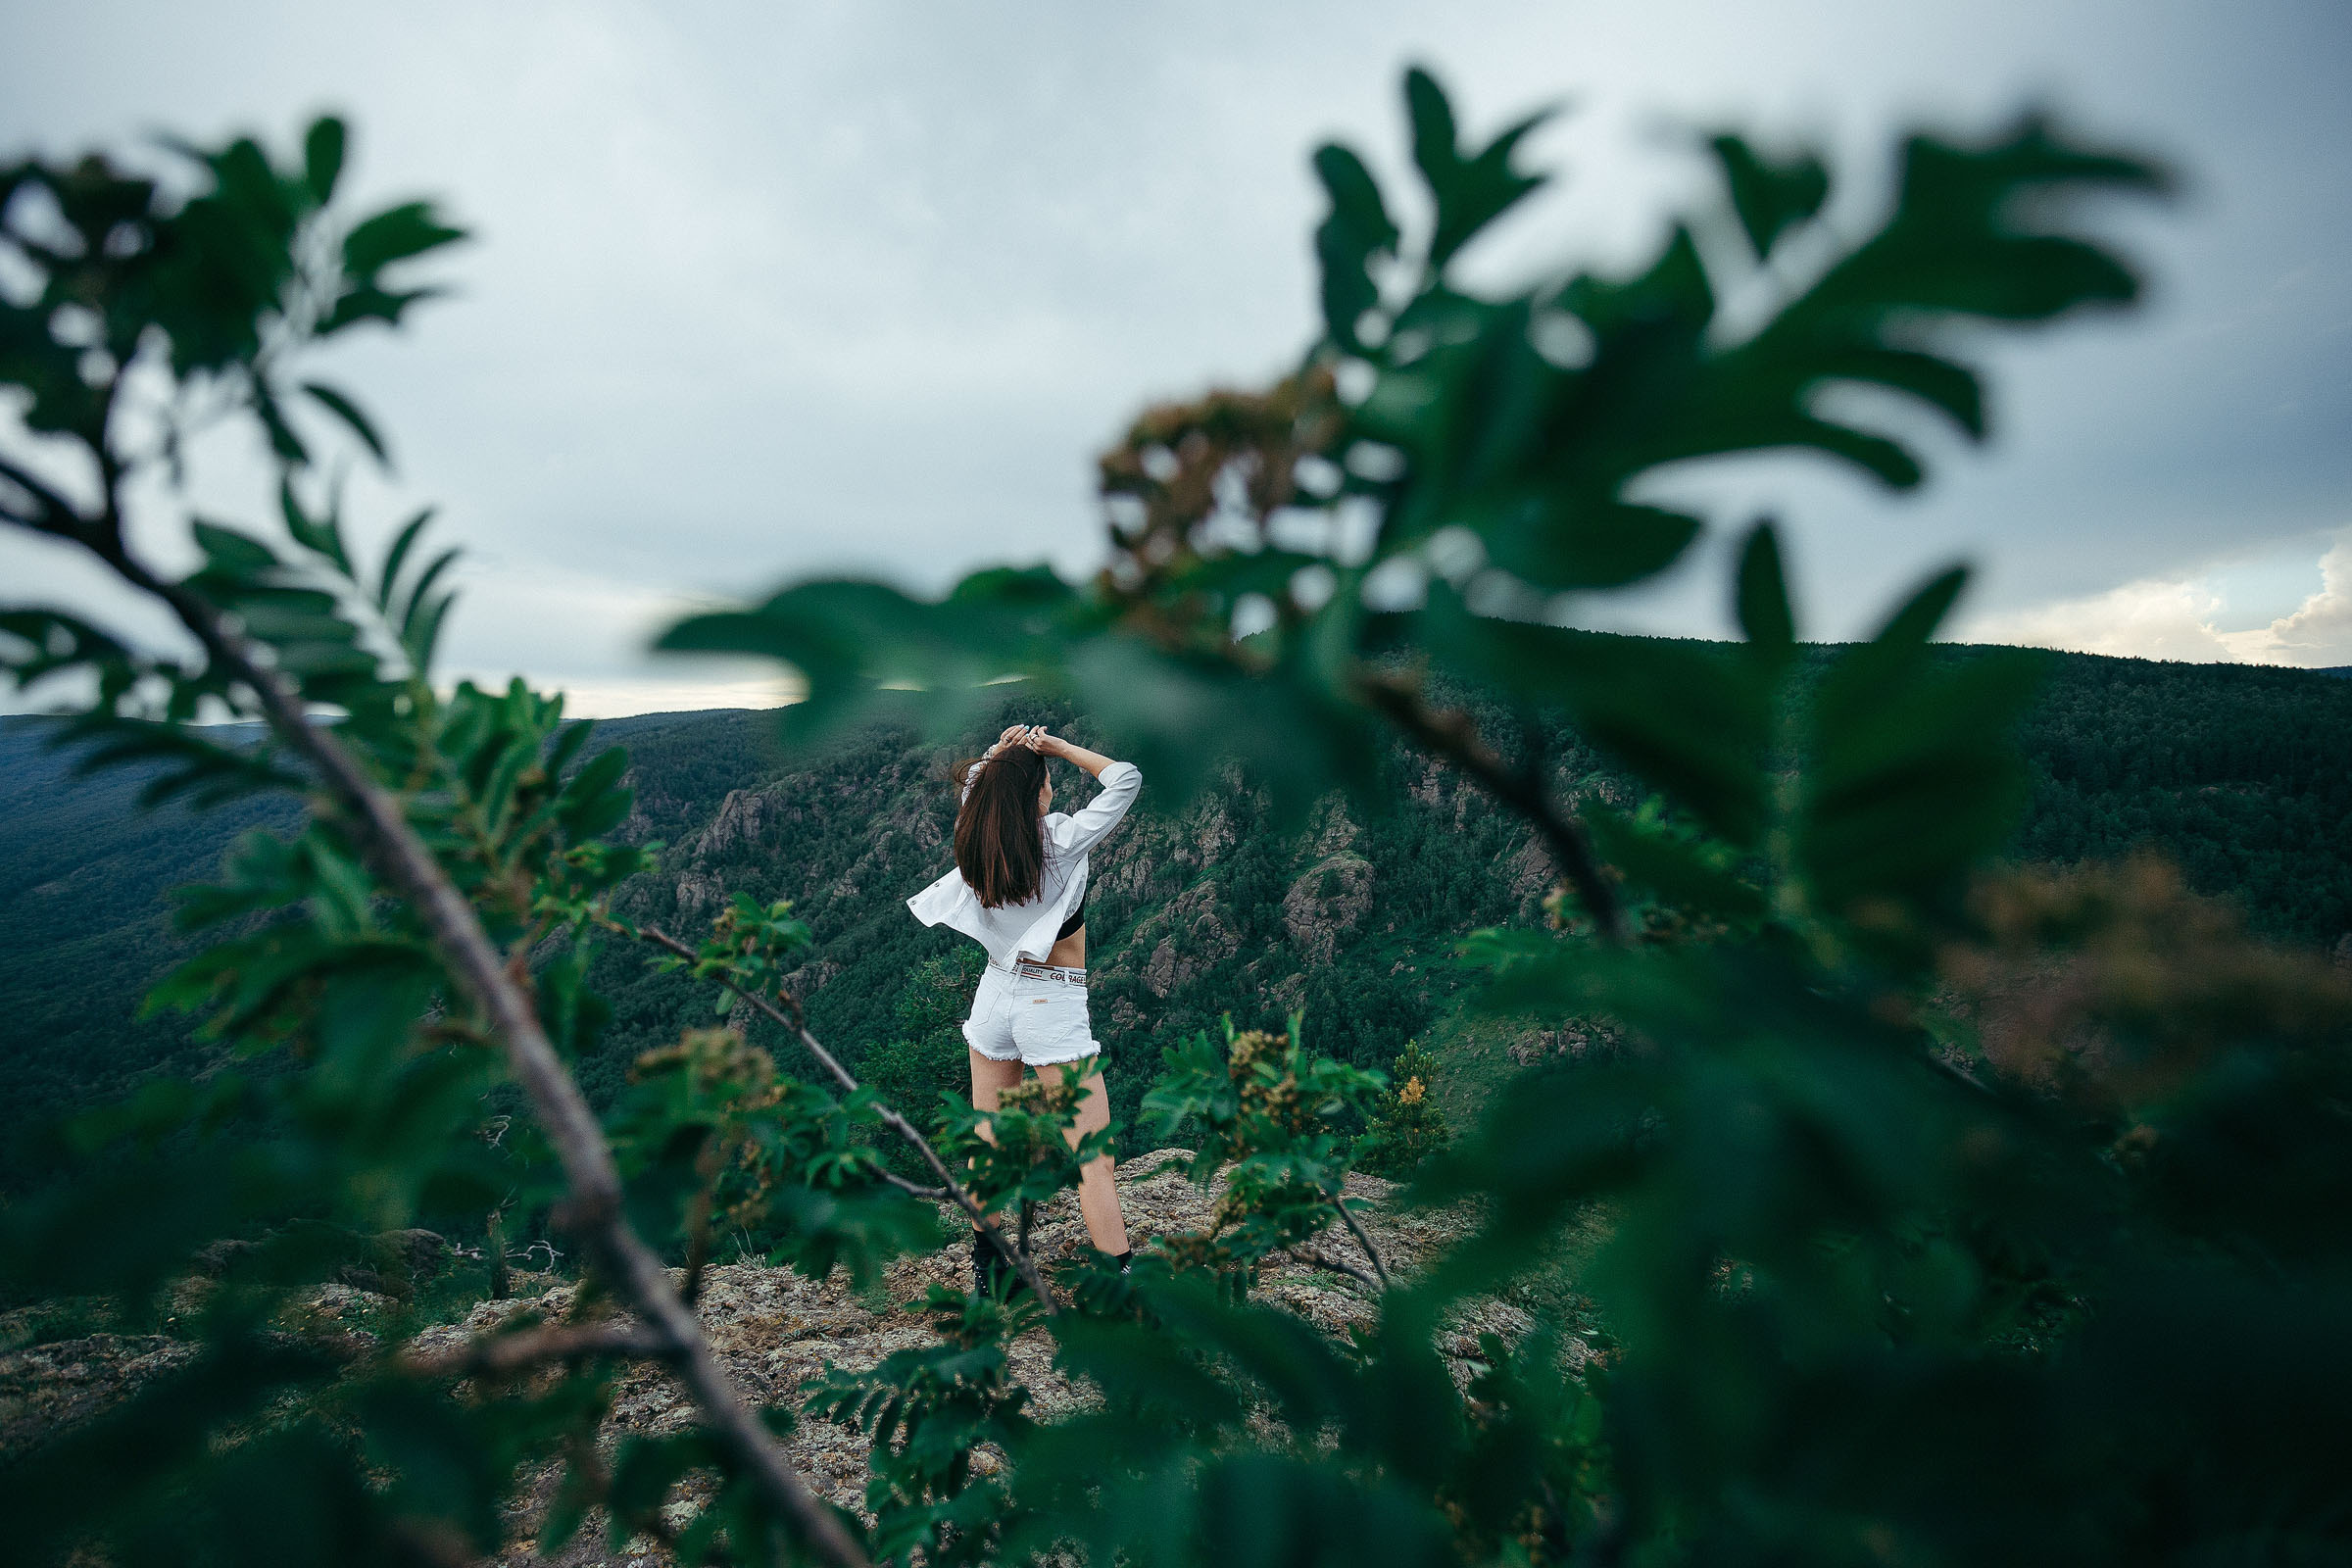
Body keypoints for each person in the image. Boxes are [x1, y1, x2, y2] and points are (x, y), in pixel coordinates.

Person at [906, 722, 1143, 1291]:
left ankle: (989, 1274)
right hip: (1051, 1000)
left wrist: (1001, 753)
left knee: (989, 1140)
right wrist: (1055, 747)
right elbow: (1124, 779)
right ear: (1039, 790)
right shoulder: (1057, 841)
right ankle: (1123, 1284)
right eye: (1048, 780)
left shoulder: (977, 835)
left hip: (994, 995)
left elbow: (977, 788)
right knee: (1093, 1158)